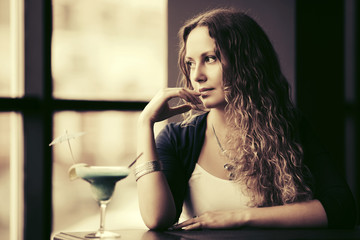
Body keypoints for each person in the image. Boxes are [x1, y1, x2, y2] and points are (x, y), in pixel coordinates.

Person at [134, 8, 357, 230]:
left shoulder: (289, 127)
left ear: (245, 63)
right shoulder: (178, 139)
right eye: (191, 63)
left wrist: (240, 217)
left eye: (210, 59)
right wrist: (145, 123)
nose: (196, 76)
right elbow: (157, 219)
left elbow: (341, 208)